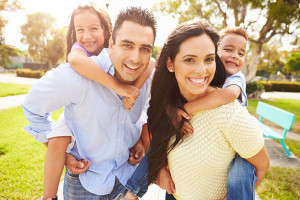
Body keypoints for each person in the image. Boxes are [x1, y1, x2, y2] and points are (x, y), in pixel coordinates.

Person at [22, 6, 156, 200]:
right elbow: (32, 108)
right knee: (60, 136)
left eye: (144, 48)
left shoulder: (148, 75)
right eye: (127, 45)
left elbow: (147, 108)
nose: (135, 57)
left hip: (127, 180)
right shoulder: (75, 75)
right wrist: (64, 153)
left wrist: (142, 140)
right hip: (84, 185)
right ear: (112, 43)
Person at [147, 20, 270, 200]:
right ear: (170, 64)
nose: (201, 70)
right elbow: (156, 137)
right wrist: (160, 168)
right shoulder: (168, 103)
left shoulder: (228, 113)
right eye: (190, 59)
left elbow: (262, 165)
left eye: (209, 59)